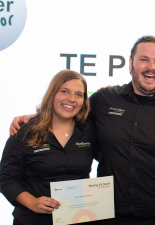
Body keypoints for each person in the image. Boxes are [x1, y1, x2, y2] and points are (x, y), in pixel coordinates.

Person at [9, 36, 155, 225]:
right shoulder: (104, 100)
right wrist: (35, 117)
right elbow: (69, 110)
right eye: (144, 59)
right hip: (106, 214)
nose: (151, 67)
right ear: (130, 63)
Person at [0, 70, 97, 225]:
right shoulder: (25, 132)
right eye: (64, 91)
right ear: (52, 94)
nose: (71, 99)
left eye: (79, 94)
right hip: (32, 220)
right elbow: (6, 179)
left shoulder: (90, 131)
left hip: (78, 218)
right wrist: (32, 202)